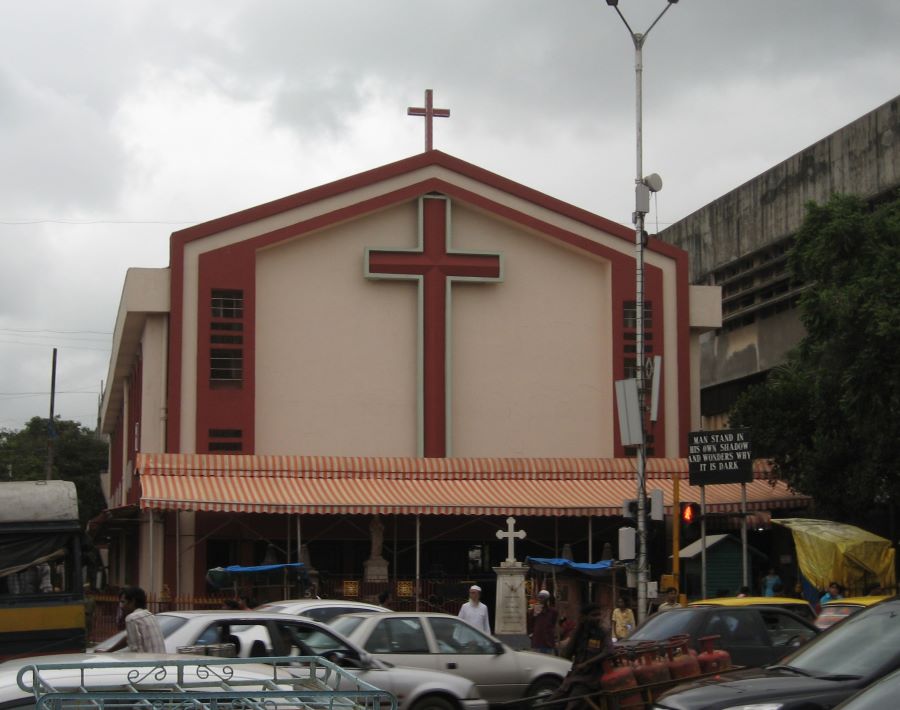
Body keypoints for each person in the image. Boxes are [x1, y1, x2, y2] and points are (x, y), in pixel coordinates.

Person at [553, 604, 615, 709]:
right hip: (573, 678)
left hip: (590, 680)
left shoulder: (602, 632)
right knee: (550, 704)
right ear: (584, 617)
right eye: (594, 615)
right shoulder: (579, 633)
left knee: (573, 706)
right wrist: (576, 632)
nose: (598, 618)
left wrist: (587, 663)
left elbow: (609, 651)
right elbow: (565, 654)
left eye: (599, 615)